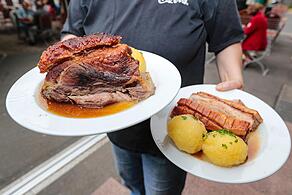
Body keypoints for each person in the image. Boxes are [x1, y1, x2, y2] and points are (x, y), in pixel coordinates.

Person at [61, 0, 244, 194]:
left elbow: (227, 39)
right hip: (116, 126)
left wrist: (232, 81)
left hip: (173, 130)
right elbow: (72, 33)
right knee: (132, 184)